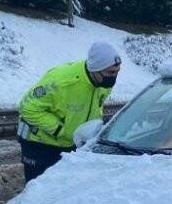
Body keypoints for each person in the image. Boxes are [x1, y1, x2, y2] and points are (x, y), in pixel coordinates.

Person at [16, 41, 121, 182]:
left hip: (71, 144)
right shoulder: (61, 81)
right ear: (95, 69)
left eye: (117, 71)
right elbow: (27, 107)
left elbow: (96, 105)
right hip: (40, 145)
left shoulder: (103, 82)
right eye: (111, 72)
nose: (114, 76)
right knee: (38, 193)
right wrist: (60, 130)